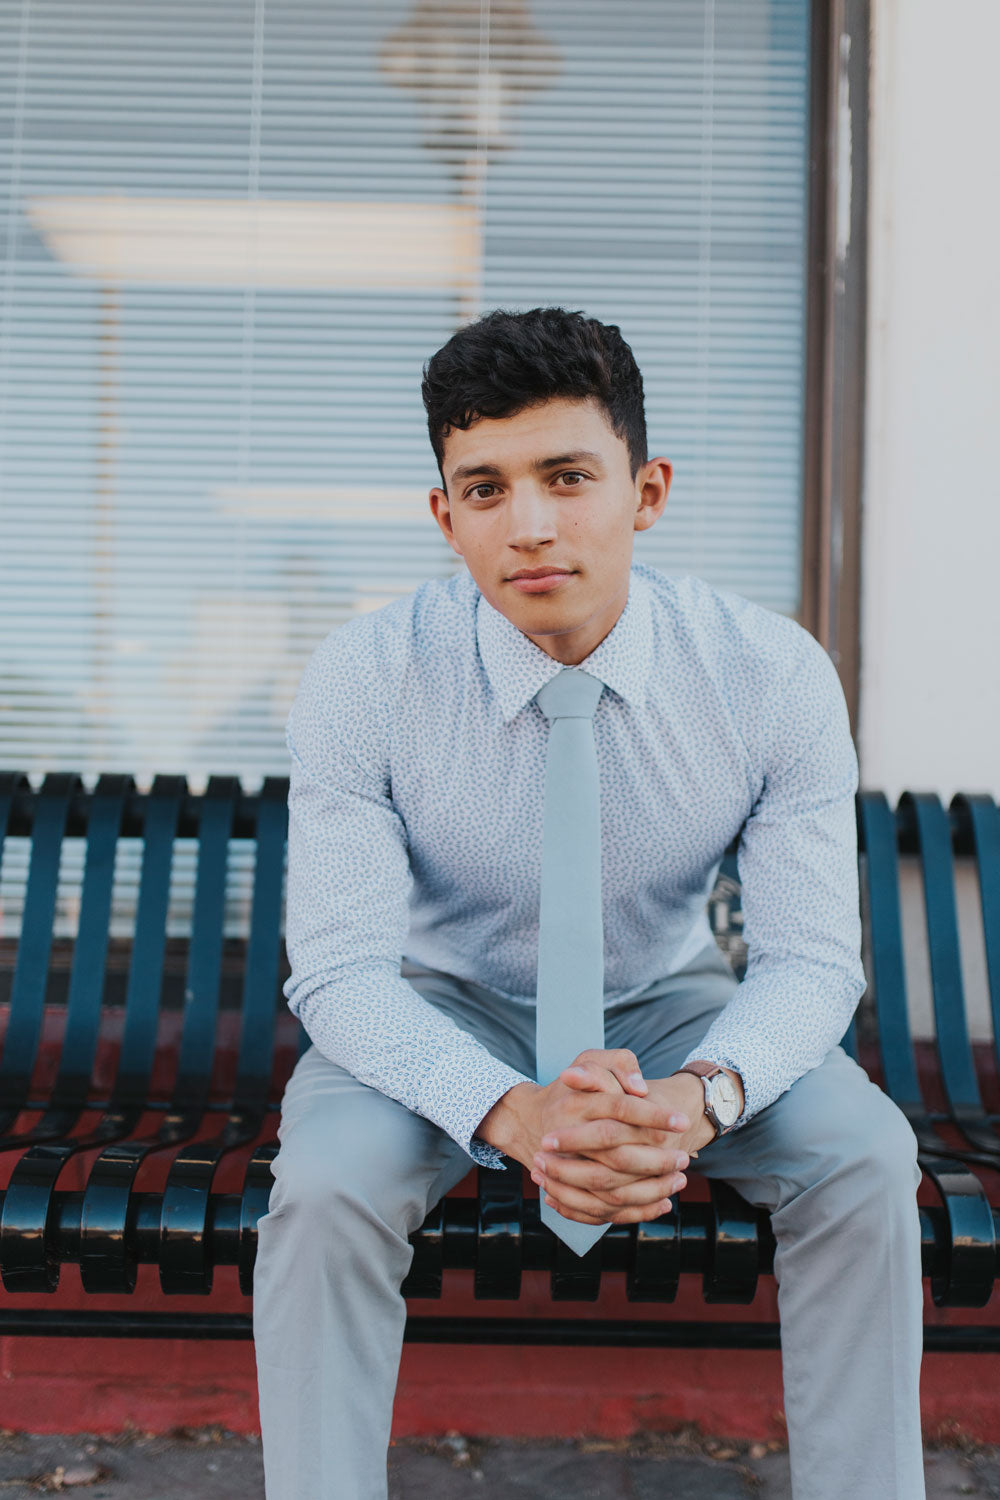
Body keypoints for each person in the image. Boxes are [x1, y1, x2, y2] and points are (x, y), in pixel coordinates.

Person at [252, 306, 925, 1500]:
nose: (532, 526)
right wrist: (508, 1111)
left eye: (567, 477)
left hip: (668, 1003)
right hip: (438, 1005)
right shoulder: (367, 675)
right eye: (486, 488)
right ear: (443, 514)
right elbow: (344, 974)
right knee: (325, 1190)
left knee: (864, 1157)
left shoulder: (768, 677)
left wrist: (694, 1100)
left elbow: (813, 961)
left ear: (646, 491)